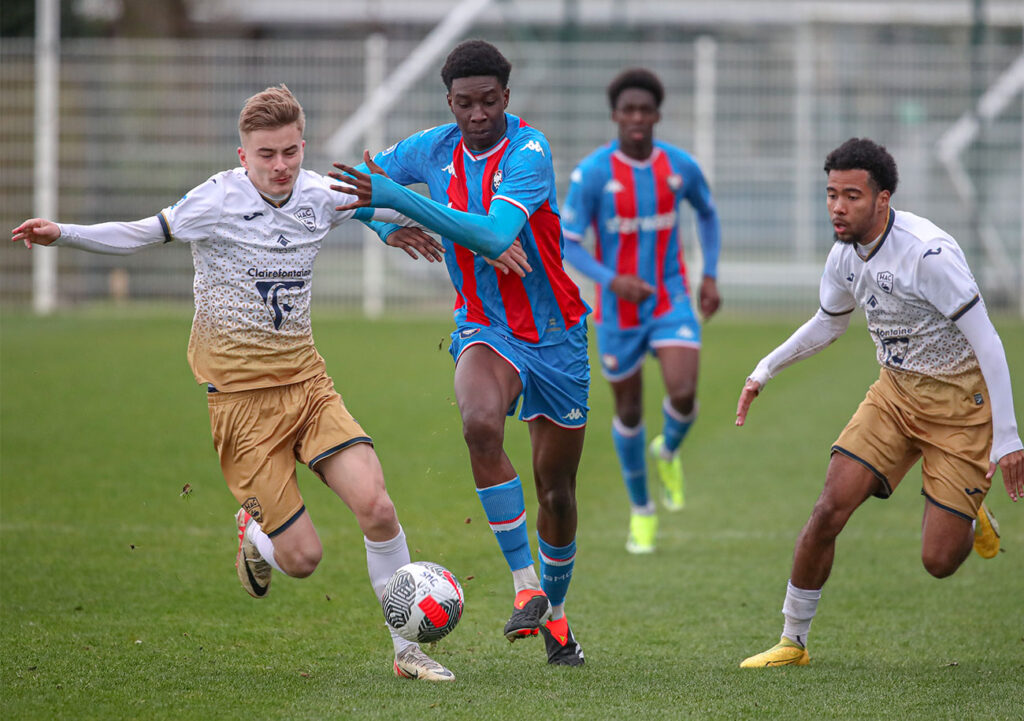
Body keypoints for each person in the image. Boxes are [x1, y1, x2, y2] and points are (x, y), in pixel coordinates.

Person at [11, 84, 457, 682]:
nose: (280, 167)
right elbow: (140, 232)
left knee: (377, 507)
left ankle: (407, 652)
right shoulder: (214, 201)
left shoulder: (320, 193)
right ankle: (255, 532)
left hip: (308, 387)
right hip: (241, 408)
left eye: (291, 153)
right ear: (243, 155)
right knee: (303, 560)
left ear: (304, 146)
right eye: (267, 155)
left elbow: (381, 207)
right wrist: (62, 232)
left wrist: (398, 227)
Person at [330, 39, 590, 666]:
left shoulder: (530, 150)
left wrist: (402, 200)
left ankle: (554, 616)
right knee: (479, 424)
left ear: (508, 96)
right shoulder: (431, 148)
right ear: (449, 101)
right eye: (465, 103)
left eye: (489, 101)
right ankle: (523, 583)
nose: (477, 115)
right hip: (484, 327)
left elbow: (495, 234)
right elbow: (351, 189)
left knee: (556, 492)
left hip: (557, 339)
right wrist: (388, 223)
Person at [734, 137, 1023, 668]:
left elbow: (989, 343)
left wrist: (1007, 438)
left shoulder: (927, 255)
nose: (838, 207)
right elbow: (828, 322)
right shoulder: (844, 254)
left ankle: (971, 514)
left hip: (960, 408)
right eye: (830, 195)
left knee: (938, 560)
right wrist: (764, 369)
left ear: (882, 199)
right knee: (828, 508)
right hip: (893, 396)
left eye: (852, 196)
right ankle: (792, 641)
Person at [560, 68, 722, 554]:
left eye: (644, 110)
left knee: (685, 391)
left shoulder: (679, 167)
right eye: (627, 109)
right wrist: (613, 281)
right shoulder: (592, 174)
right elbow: (569, 244)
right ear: (615, 115)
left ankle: (668, 450)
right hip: (616, 310)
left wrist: (709, 274)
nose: (636, 117)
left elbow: (708, 213)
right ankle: (642, 511)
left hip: (670, 297)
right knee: (628, 410)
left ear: (656, 115)